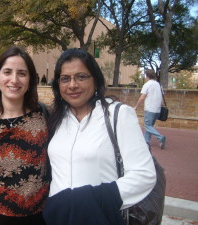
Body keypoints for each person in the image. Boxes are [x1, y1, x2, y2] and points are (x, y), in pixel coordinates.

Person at [43, 48, 156, 225]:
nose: (72, 85)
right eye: (65, 78)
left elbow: (144, 175)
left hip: (100, 216)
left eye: (81, 76)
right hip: (58, 216)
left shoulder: (118, 114)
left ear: (95, 80)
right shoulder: (56, 118)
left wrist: (92, 200)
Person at [0, 46, 50, 225]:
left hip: (38, 215)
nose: (14, 80)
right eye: (7, 72)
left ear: (30, 81)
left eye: (22, 73)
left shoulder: (44, 117)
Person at [134, 69, 167, 149]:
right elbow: (161, 97)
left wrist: (136, 106)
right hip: (157, 110)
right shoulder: (159, 85)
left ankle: (160, 137)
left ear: (147, 76)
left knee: (147, 125)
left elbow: (142, 97)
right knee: (150, 126)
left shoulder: (147, 84)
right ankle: (146, 142)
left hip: (150, 109)